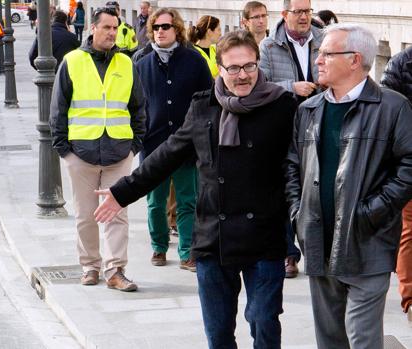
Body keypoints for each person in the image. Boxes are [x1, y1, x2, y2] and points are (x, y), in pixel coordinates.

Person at [95, 30, 296, 348]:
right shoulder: (204, 107)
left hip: (265, 237)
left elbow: (297, 168)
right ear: (220, 68)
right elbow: (167, 154)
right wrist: (122, 192)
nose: (242, 75)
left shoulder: (282, 106)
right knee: (218, 335)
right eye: (234, 68)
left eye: (249, 66)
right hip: (214, 238)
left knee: (264, 322)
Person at [286, 24, 412, 348]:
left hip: (367, 242)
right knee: (329, 339)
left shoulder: (393, 107)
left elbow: (409, 166)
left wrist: (373, 211)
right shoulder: (308, 110)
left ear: (355, 59)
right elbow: (292, 166)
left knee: (363, 338)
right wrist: (297, 212)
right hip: (317, 238)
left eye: (327, 53)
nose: (318, 60)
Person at [49, 7, 146, 292]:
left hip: (119, 153)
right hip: (81, 153)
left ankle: (115, 270)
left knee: (118, 213)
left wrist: (134, 146)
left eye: (115, 28)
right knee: (85, 214)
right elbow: (59, 108)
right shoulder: (72, 61)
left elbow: (139, 107)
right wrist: (64, 150)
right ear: (93, 28)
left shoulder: (126, 64)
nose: (112, 33)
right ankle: (90, 266)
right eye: (106, 28)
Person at [136, 8, 212, 272]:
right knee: (155, 202)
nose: (160, 31)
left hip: (186, 145)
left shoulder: (194, 60)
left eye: (166, 26)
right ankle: (158, 247)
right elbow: (136, 106)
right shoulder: (142, 63)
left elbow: (208, 99)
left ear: (177, 29)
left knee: (187, 200)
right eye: (156, 27)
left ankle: (187, 252)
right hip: (154, 145)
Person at [260, 0, 324, 278]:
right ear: (284, 15)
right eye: (298, 12)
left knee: (318, 187)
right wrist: (292, 87)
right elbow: (260, 84)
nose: (304, 17)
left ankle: (317, 250)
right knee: (287, 190)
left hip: (320, 125)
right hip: (284, 125)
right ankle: (289, 253)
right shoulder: (269, 45)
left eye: (307, 11)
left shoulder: (324, 39)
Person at [381, 45, 412, 323]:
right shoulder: (402, 62)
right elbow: (386, 108)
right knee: (410, 230)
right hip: (409, 159)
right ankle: (410, 298)